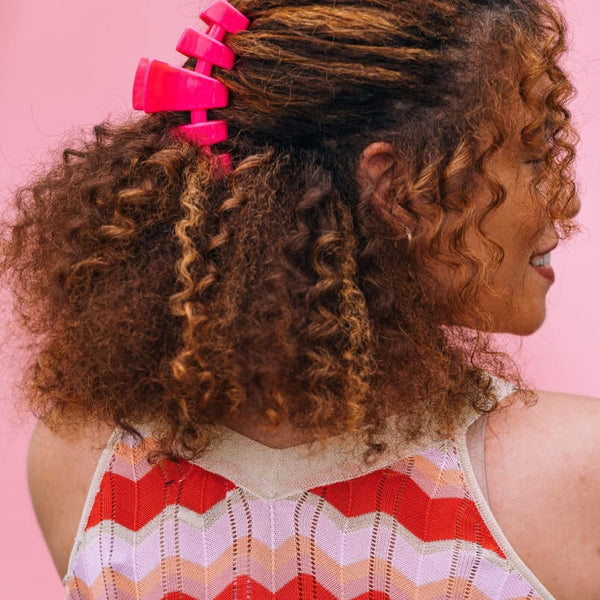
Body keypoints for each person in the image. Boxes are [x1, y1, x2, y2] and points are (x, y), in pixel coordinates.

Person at [1, 0, 598, 598]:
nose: (565, 202)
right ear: (394, 187)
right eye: (533, 156)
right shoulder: (574, 475)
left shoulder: (86, 463)